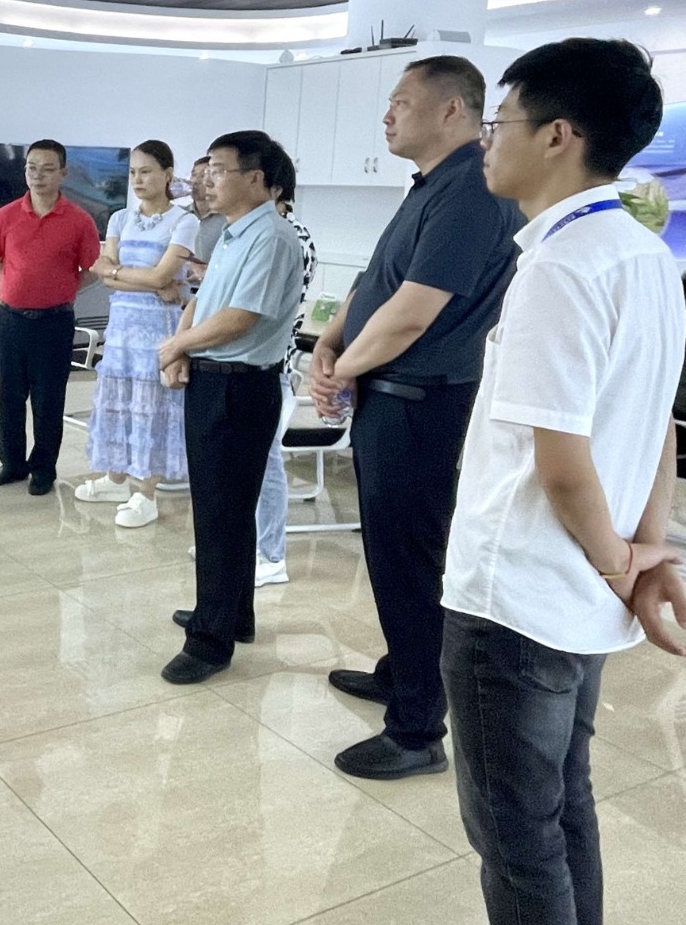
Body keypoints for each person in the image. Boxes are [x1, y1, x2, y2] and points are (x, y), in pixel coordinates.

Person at [441, 38, 686, 924]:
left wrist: (625, 562)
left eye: (499, 121)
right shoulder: (647, 256)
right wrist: (643, 554)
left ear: (557, 135)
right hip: (578, 591)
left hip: (517, 595)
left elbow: (562, 463)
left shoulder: (562, 264)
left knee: (516, 837)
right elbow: (655, 423)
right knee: (562, 803)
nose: (487, 141)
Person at [309, 56, 522, 780]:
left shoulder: (473, 190)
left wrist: (343, 368)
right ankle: (405, 673)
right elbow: (378, 281)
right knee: (390, 554)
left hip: (420, 401)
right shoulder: (431, 185)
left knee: (409, 560)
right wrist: (331, 343)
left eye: (401, 101)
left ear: (453, 109)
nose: (387, 115)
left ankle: (417, 729)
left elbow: (413, 311)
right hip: (389, 394)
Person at [156, 132, 303, 684]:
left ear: (257, 179)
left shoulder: (273, 238)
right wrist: (180, 346)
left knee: (221, 514)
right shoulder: (235, 232)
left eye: (218, 169)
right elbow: (204, 301)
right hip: (215, 380)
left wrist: (176, 347)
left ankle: (209, 642)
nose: (206, 180)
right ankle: (231, 613)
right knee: (223, 510)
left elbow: (241, 317)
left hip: (240, 387)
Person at [76, 141, 199, 527]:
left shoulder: (184, 222)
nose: (137, 180)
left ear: (167, 174)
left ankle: (146, 494)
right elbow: (104, 273)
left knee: (152, 407)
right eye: (132, 172)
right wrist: (144, 280)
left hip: (158, 330)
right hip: (121, 328)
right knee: (118, 402)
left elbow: (162, 275)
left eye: (146, 171)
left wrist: (122, 273)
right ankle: (116, 479)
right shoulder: (119, 219)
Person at [0, 139, 101, 495]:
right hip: (10, 320)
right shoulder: (6, 215)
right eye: (31, 168)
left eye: (48, 169)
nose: (38, 175)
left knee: (49, 398)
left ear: (63, 173)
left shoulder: (79, 220)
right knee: (9, 395)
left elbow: (93, 268)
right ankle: (11, 463)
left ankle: (44, 468)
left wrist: (65, 288)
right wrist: (8, 288)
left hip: (55, 322)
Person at [253, 149, 317, 585]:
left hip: (272, 363)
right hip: (253, 364)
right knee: (246, 460)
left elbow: (262, 307)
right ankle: (246, 542)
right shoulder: (255, 233)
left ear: (273, 188)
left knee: (265, 459)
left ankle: (270, 554)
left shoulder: (289, 236)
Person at [187, 155, 227, 269]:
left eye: (203, 175)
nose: (195, 181)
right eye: (193, 175)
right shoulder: (180, 215)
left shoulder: (227, 218)